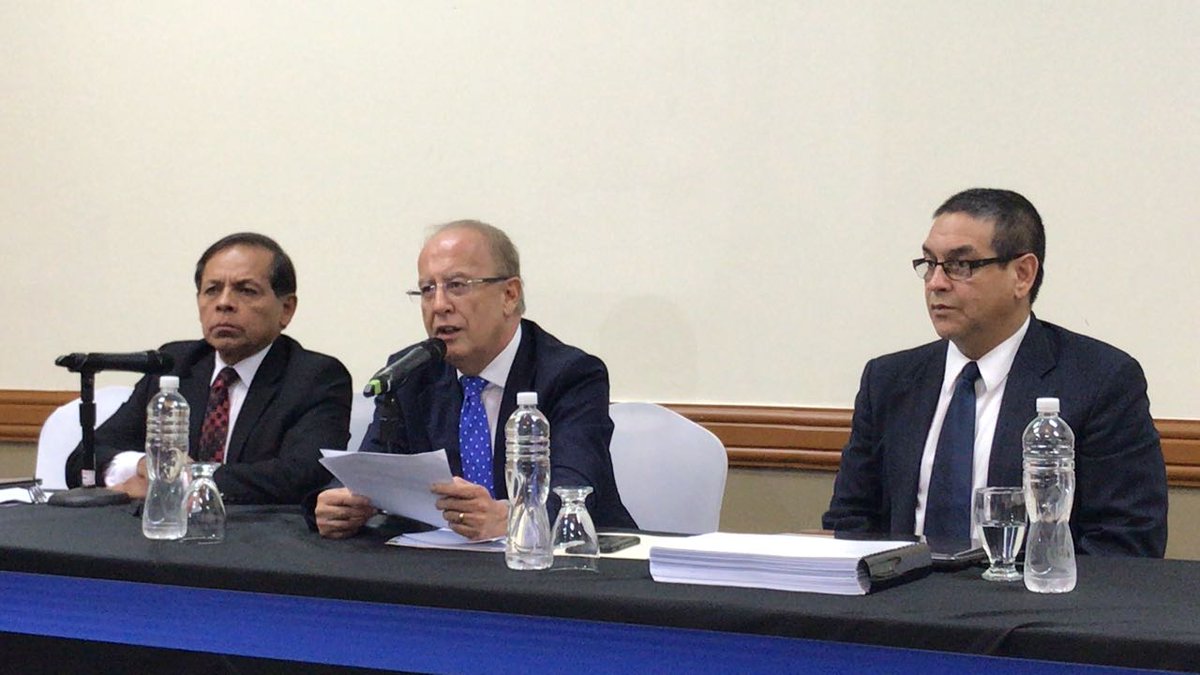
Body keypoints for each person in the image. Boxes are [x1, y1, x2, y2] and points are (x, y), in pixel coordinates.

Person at [822, 188, 1167, 557]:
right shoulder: (888, 381)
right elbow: (850, 522)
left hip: (1032, 593)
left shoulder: (1100, 381)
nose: (936, 282)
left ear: (1022, 274)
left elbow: (1125, 544)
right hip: (900, 591)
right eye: (930, 263)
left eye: (960, 265)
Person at [315, 220, 635, 539]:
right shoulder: (411, 374)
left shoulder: (571, 375)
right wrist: (340, 502)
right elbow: (369, 469)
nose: (439, 305)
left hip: (565, 558)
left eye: (457, 285)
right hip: (441, 561)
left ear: (509, 295)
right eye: (427, 290)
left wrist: (510, 518)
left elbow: (575, 489)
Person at [65, 233, 353, 504]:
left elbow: (299, 476)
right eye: (212, 290)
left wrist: (182, 481)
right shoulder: (175, 363)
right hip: (162, 529)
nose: (224, 303)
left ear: (286, 309)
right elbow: (84, 459)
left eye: (246, 290)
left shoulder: (315, 377)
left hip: (256, 533)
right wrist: (141, 465)